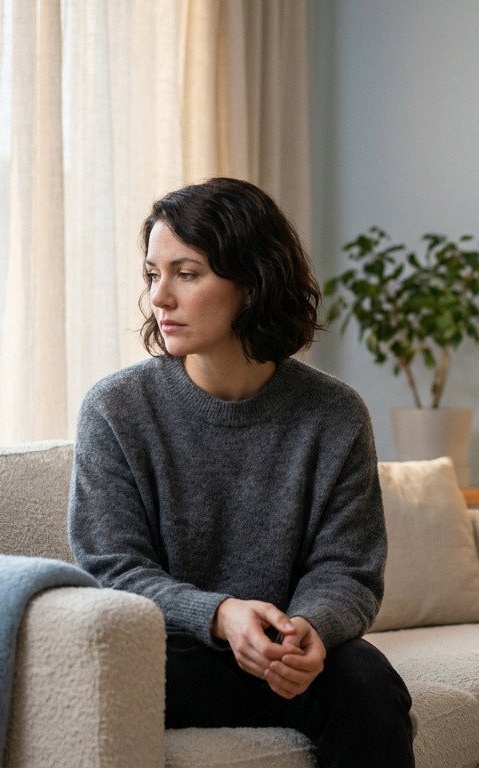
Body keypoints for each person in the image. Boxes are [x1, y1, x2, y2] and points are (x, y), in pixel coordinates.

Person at [68, 177, 415, 767]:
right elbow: (111, 568)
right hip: (170, 657)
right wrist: (221, 615)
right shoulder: (116, 409)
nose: (159, 298)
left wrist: (310, 628)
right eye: (153, 274)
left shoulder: (334, 414)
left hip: (283, 658)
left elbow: (348, 569)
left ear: (253, 284)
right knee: (102, 674)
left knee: (365, 678)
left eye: (187, 273)